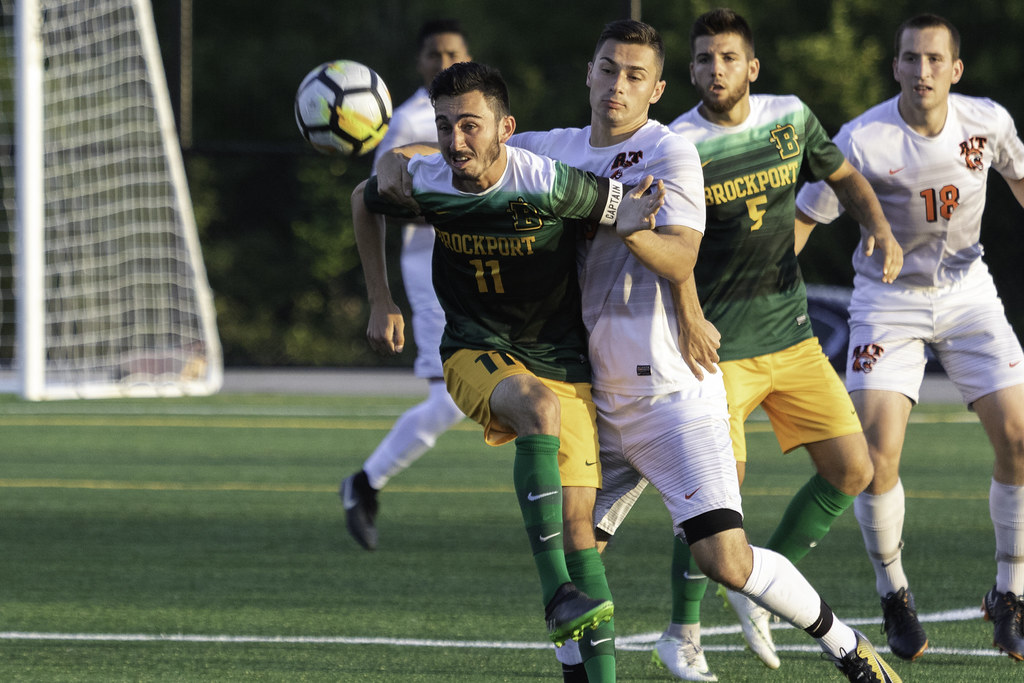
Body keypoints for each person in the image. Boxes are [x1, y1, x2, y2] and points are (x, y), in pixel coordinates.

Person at [376, 19, 904, 683]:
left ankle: (847, 644)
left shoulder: (670, 151)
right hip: (593, 394)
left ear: (657, 88)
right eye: (607, 70)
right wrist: (393, 161)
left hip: (672, 397)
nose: (617, 85)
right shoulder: (552, 148)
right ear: (588, 76)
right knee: (571, 558)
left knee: (727, 561)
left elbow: (681, 253)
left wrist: (627, 227)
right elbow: (464, 148)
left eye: (634, 75)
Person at [352, 60, 673, 682]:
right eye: (444, 127)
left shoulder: (548, 183)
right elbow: (364, 201)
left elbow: (621, 212)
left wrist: (639, 219)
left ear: (507, 129)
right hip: (474, 349)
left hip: (562, 359)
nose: (455, 141)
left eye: (470, 126)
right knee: (536, 408)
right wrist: (379, 297)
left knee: (582, 534)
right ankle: (557, 595)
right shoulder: (429, 180)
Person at [630, 8, 904, 678]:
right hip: (716, 350)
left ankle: (761, 588)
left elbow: (844, 178)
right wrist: (688, 318)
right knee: (713, 498)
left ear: (751, 67)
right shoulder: (677, 143)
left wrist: (880, 228)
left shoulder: (791, 118)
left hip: (794, 336)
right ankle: (682, 631)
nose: (714, 69)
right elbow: (669, 250)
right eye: (702, 59)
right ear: (689, 70)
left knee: (854, 469)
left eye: (727, 57)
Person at [795, 13, 1024, 662]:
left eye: (934, 60)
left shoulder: (988, 122)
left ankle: (1009, 592)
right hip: (887, 299)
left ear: (955, 70)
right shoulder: (862, 139)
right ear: (894, 66)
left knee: (1018, 436)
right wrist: (761, 284)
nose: (921, 71)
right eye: (909, 59)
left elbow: (1019, 177)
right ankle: (894, 592)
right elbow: (808, 215)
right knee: (877, 452)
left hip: (967, 292)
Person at [341, 19, 471, 552]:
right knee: (452, 400)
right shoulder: (408, 121)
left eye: (452, 53)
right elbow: (380, 199)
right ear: (420, 65)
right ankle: (365, 482)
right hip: (431, 266)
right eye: (433, 56)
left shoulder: (479, 113)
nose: (443, 63)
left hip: (491, 265)